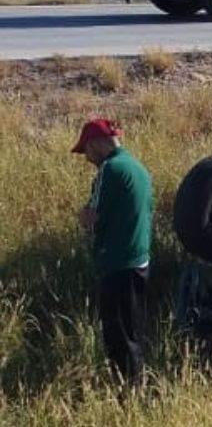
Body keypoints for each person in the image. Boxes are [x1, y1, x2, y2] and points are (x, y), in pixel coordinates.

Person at [72, 118, 154, 384]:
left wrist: (82, 217)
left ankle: (126, 393)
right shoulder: (138, 168)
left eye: (86, 151)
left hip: (117, 261)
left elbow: (92, 217)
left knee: (118, 335)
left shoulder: (111, 169)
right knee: (133, 331)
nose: (86, 158)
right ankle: (136, 386)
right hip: (138, 259)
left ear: (95, 144)